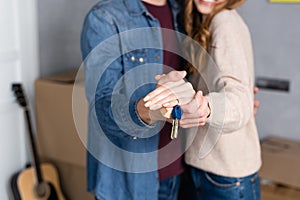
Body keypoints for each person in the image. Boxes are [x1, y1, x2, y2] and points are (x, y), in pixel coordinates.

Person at [144, 0, 262, 199]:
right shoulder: (200, 19)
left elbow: (239, 99)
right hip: (206, 168)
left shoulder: (224, 22)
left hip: (225, 174)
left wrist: (206, 107)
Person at [80, 0, 196, 199]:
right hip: (129, 179)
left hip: (179, 169)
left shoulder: (183, 10)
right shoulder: (105, 17)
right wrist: (148, 111)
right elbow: (102, 107)